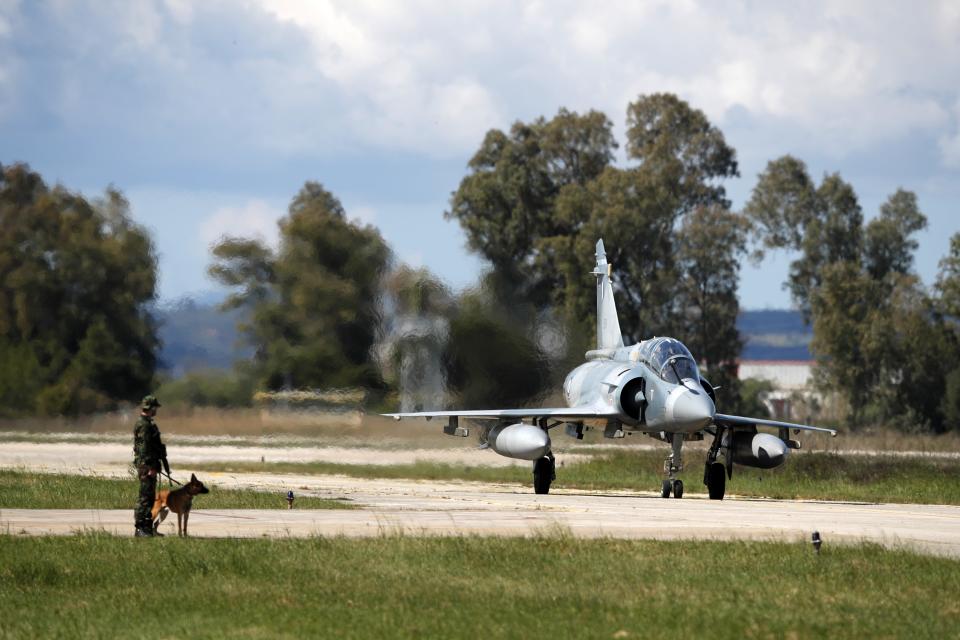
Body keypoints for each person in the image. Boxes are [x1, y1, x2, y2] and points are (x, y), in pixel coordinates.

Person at [133, 395, 170, 537]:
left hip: (147, 465)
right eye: (155, 408)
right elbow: (144, 448)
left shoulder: (147, 423)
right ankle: (140, 528)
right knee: (145, 498)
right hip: (146, 466)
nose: (156, 411)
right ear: (151, 408)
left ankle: (147, 528)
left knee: (149, 498)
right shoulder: (144, 425)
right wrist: (151, 467)